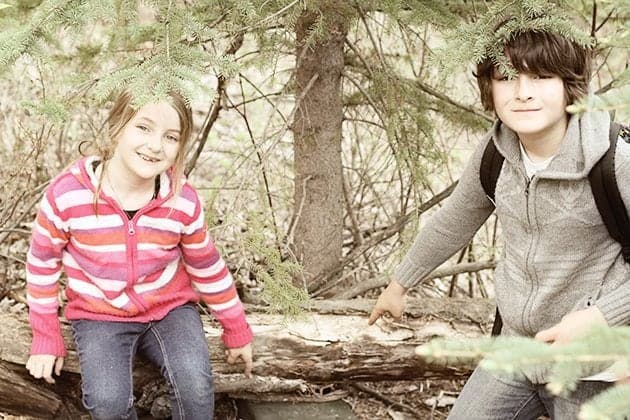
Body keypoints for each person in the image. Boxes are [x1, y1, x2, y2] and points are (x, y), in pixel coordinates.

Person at [369, 25, 629, 420]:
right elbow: (456, 217)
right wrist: (400, 282)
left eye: (541, 77)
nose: (522, 92)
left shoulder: (614, 159)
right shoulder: (496, 153)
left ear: (569, 85)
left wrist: (599, 317)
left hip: (595, 360)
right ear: (489, 88)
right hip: (516, 348)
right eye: (507, 77)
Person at [25, 90, 253, 419]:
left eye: (170, 136)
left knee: (196, 387)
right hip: (99, 314)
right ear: (118, 126)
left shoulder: (181, 200)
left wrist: (236, 328)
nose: (155, 145)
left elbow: (206, 266)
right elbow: (42, 263)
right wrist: (46, 335)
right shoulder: (68, 196)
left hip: (170, 309)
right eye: (143, 128)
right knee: (107, 402)